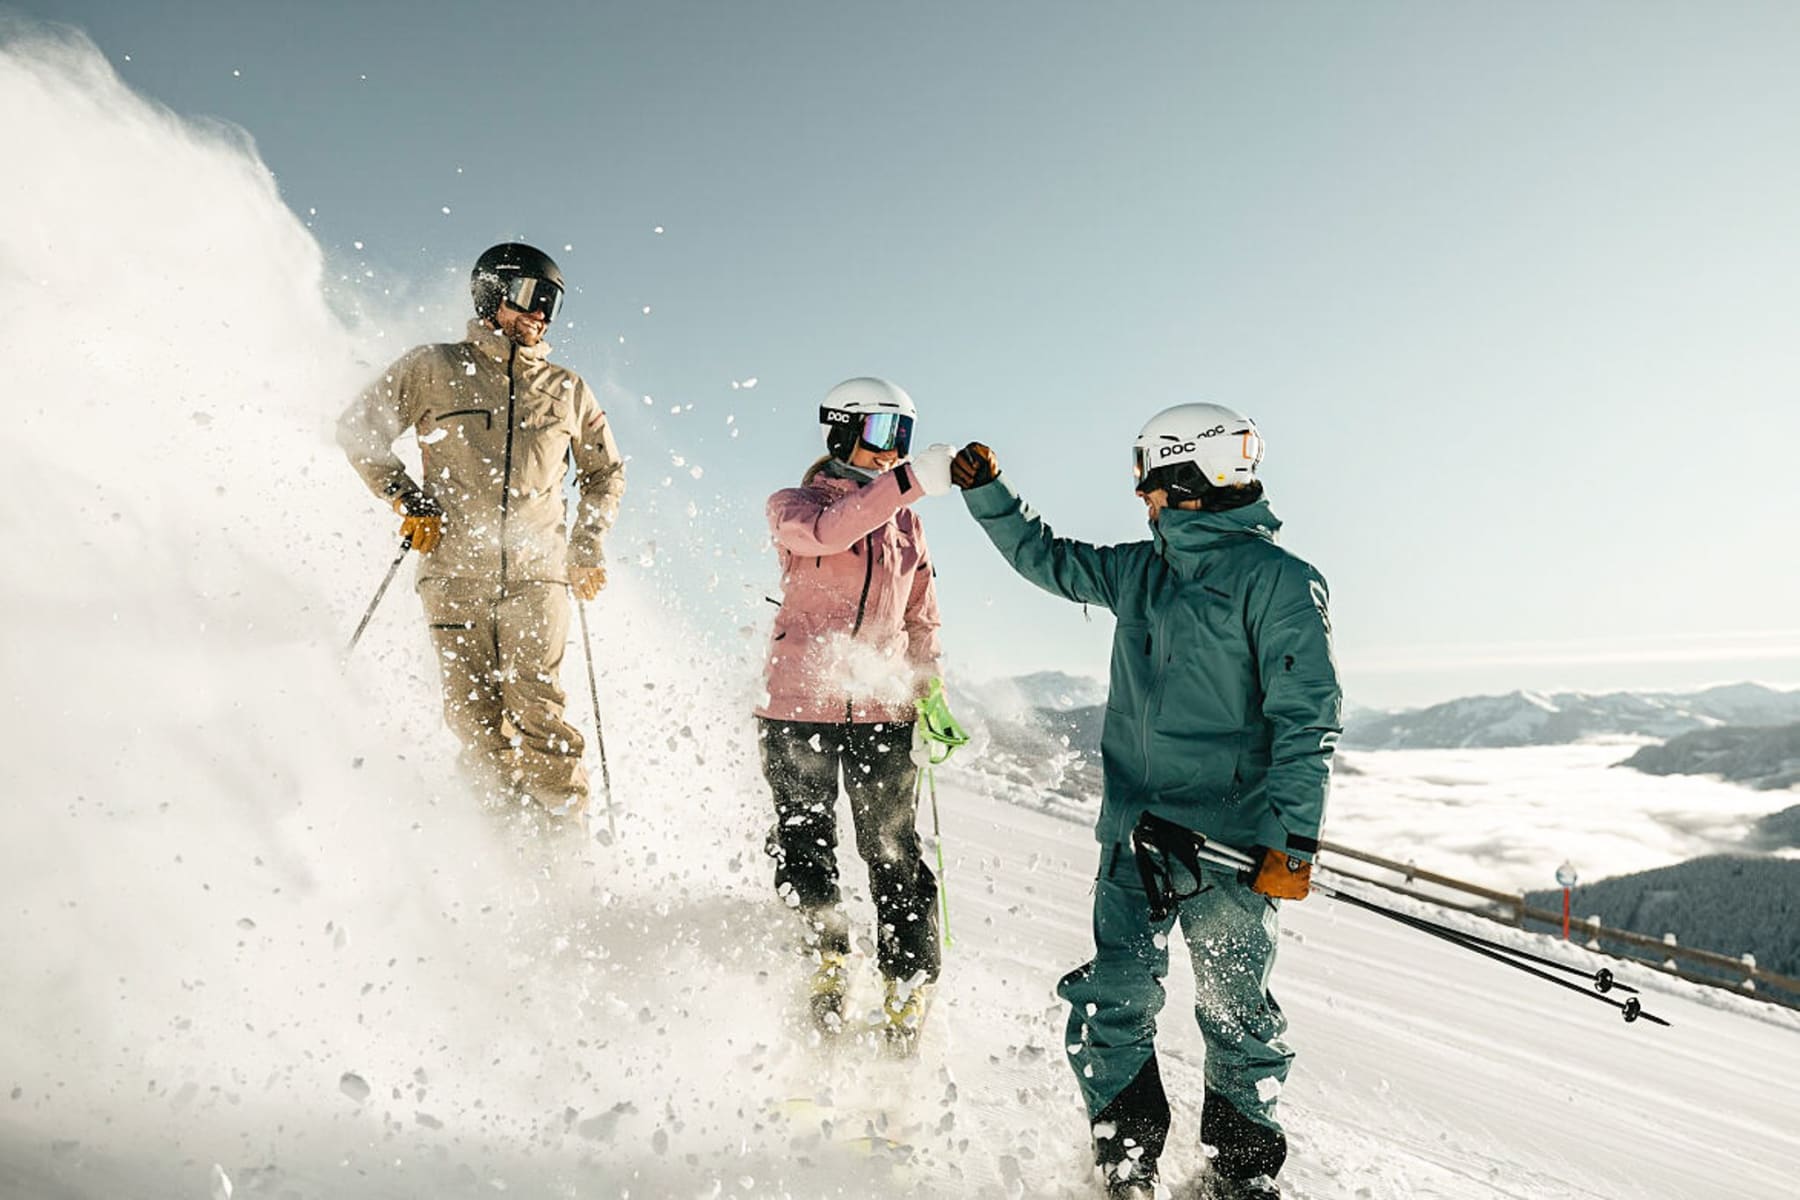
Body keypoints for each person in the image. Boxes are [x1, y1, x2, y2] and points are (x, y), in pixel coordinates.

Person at [949, 404, 1341, 1200]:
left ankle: (1239, 1176)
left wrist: (1293, 840)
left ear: (1181, 477)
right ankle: (1125, 1160)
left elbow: (1309, 719)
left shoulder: (1280, 583)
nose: (1141, 496)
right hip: (1136, 837)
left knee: (1238, 1015)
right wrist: (990, 492)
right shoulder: (1141, 571)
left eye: (1148, 478)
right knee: (1113, 1001)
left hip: (1232, 848)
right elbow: (1045, 558)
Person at [338, 242, 625, 819]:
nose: (542, 313)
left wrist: (586, 545)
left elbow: (605, 473)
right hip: (453, 575)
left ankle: (565, 851)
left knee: (537, 709)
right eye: (530, 297)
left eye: (553, 302)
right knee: (473, 720)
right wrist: (406, 498)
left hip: (537, 577)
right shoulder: (433, 369)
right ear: (492, 295)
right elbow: (358, 429)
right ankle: (504, 848)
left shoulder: (568, 390)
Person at [755, 377, 957, 1041]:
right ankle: (825, 958)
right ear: (840, 431)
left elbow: (921, 614)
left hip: (881, 711)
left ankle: (906, 983)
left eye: (901, 437)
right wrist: (908, 482)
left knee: (893, 849)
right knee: (803, 839)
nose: (891, 451)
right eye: (879, 434)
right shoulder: (795, 506)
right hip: (799, 707)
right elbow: (827, 533)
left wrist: (928, 692)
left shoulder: (906, 520)